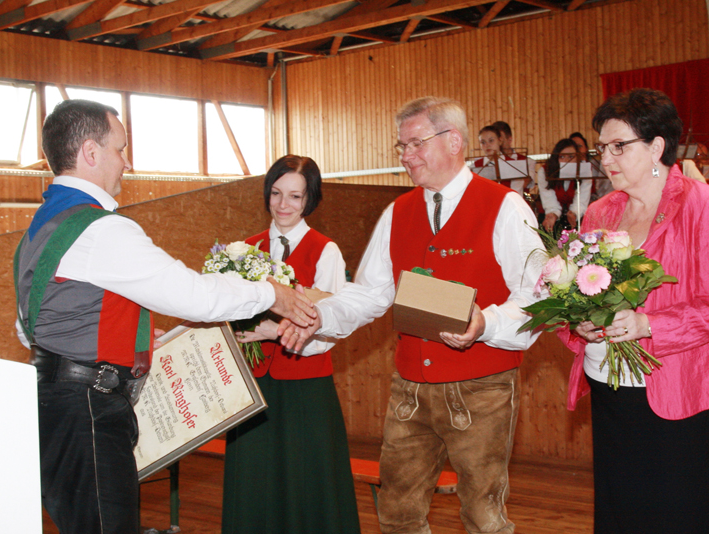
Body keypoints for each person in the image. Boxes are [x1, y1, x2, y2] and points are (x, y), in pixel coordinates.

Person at [13, 100, 316, 534]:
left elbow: (30, 328)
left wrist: (125, 336)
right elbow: (195, 297)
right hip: (88, 411)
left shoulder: (41, 227)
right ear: (90, 153)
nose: (127, 162)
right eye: (120, 149)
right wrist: (274, 294)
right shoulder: (101, 229)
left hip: (55, 404)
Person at [280, 96, 543, 534]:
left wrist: (486, 324)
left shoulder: (506, 207)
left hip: (481, 388)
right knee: (397, 513)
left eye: (415, 143)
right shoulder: (397, 211)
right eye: (401, 146)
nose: (406, 155)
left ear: (454, 141)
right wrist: (318, 316)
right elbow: (369, 293)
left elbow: (536, 299)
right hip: (410, 387)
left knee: (484, 516)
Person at [560, 88, 709, 533]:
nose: (607, 158)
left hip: (675, 390)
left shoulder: (704, 204)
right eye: (603, 147)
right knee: (620, 513)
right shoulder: (601, 211)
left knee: (674, 514)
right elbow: (579, 292)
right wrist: (581, 323)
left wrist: (647, 324)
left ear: (657, 146)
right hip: (610, 388)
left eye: (619, 146)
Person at [221, 155, 360, 534]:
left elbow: (334, 328)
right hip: (255, 387)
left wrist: (273, 332)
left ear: (309, 200)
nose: (283, 205)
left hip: (305, 387)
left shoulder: (325, 250)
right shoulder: (243, 250)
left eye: (295, 197)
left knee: (307, 483)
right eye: (277, 194)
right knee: (255, 480)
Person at [537, 138, 592, 233]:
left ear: (577, 157)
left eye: (570, 157)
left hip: (576, 217)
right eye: (562, 157)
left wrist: (575, 212)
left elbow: (583, 197)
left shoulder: (584, 169)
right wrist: (553, 214)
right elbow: (548, 198)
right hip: (552, 216)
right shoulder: (545, 171)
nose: (566, 161)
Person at [493, 120, 535, 196]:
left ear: (510, 140)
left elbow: (524, 184)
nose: (498, 143)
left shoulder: (527, 161)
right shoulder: (487, 162)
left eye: (500, 139)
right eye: (494, 140)